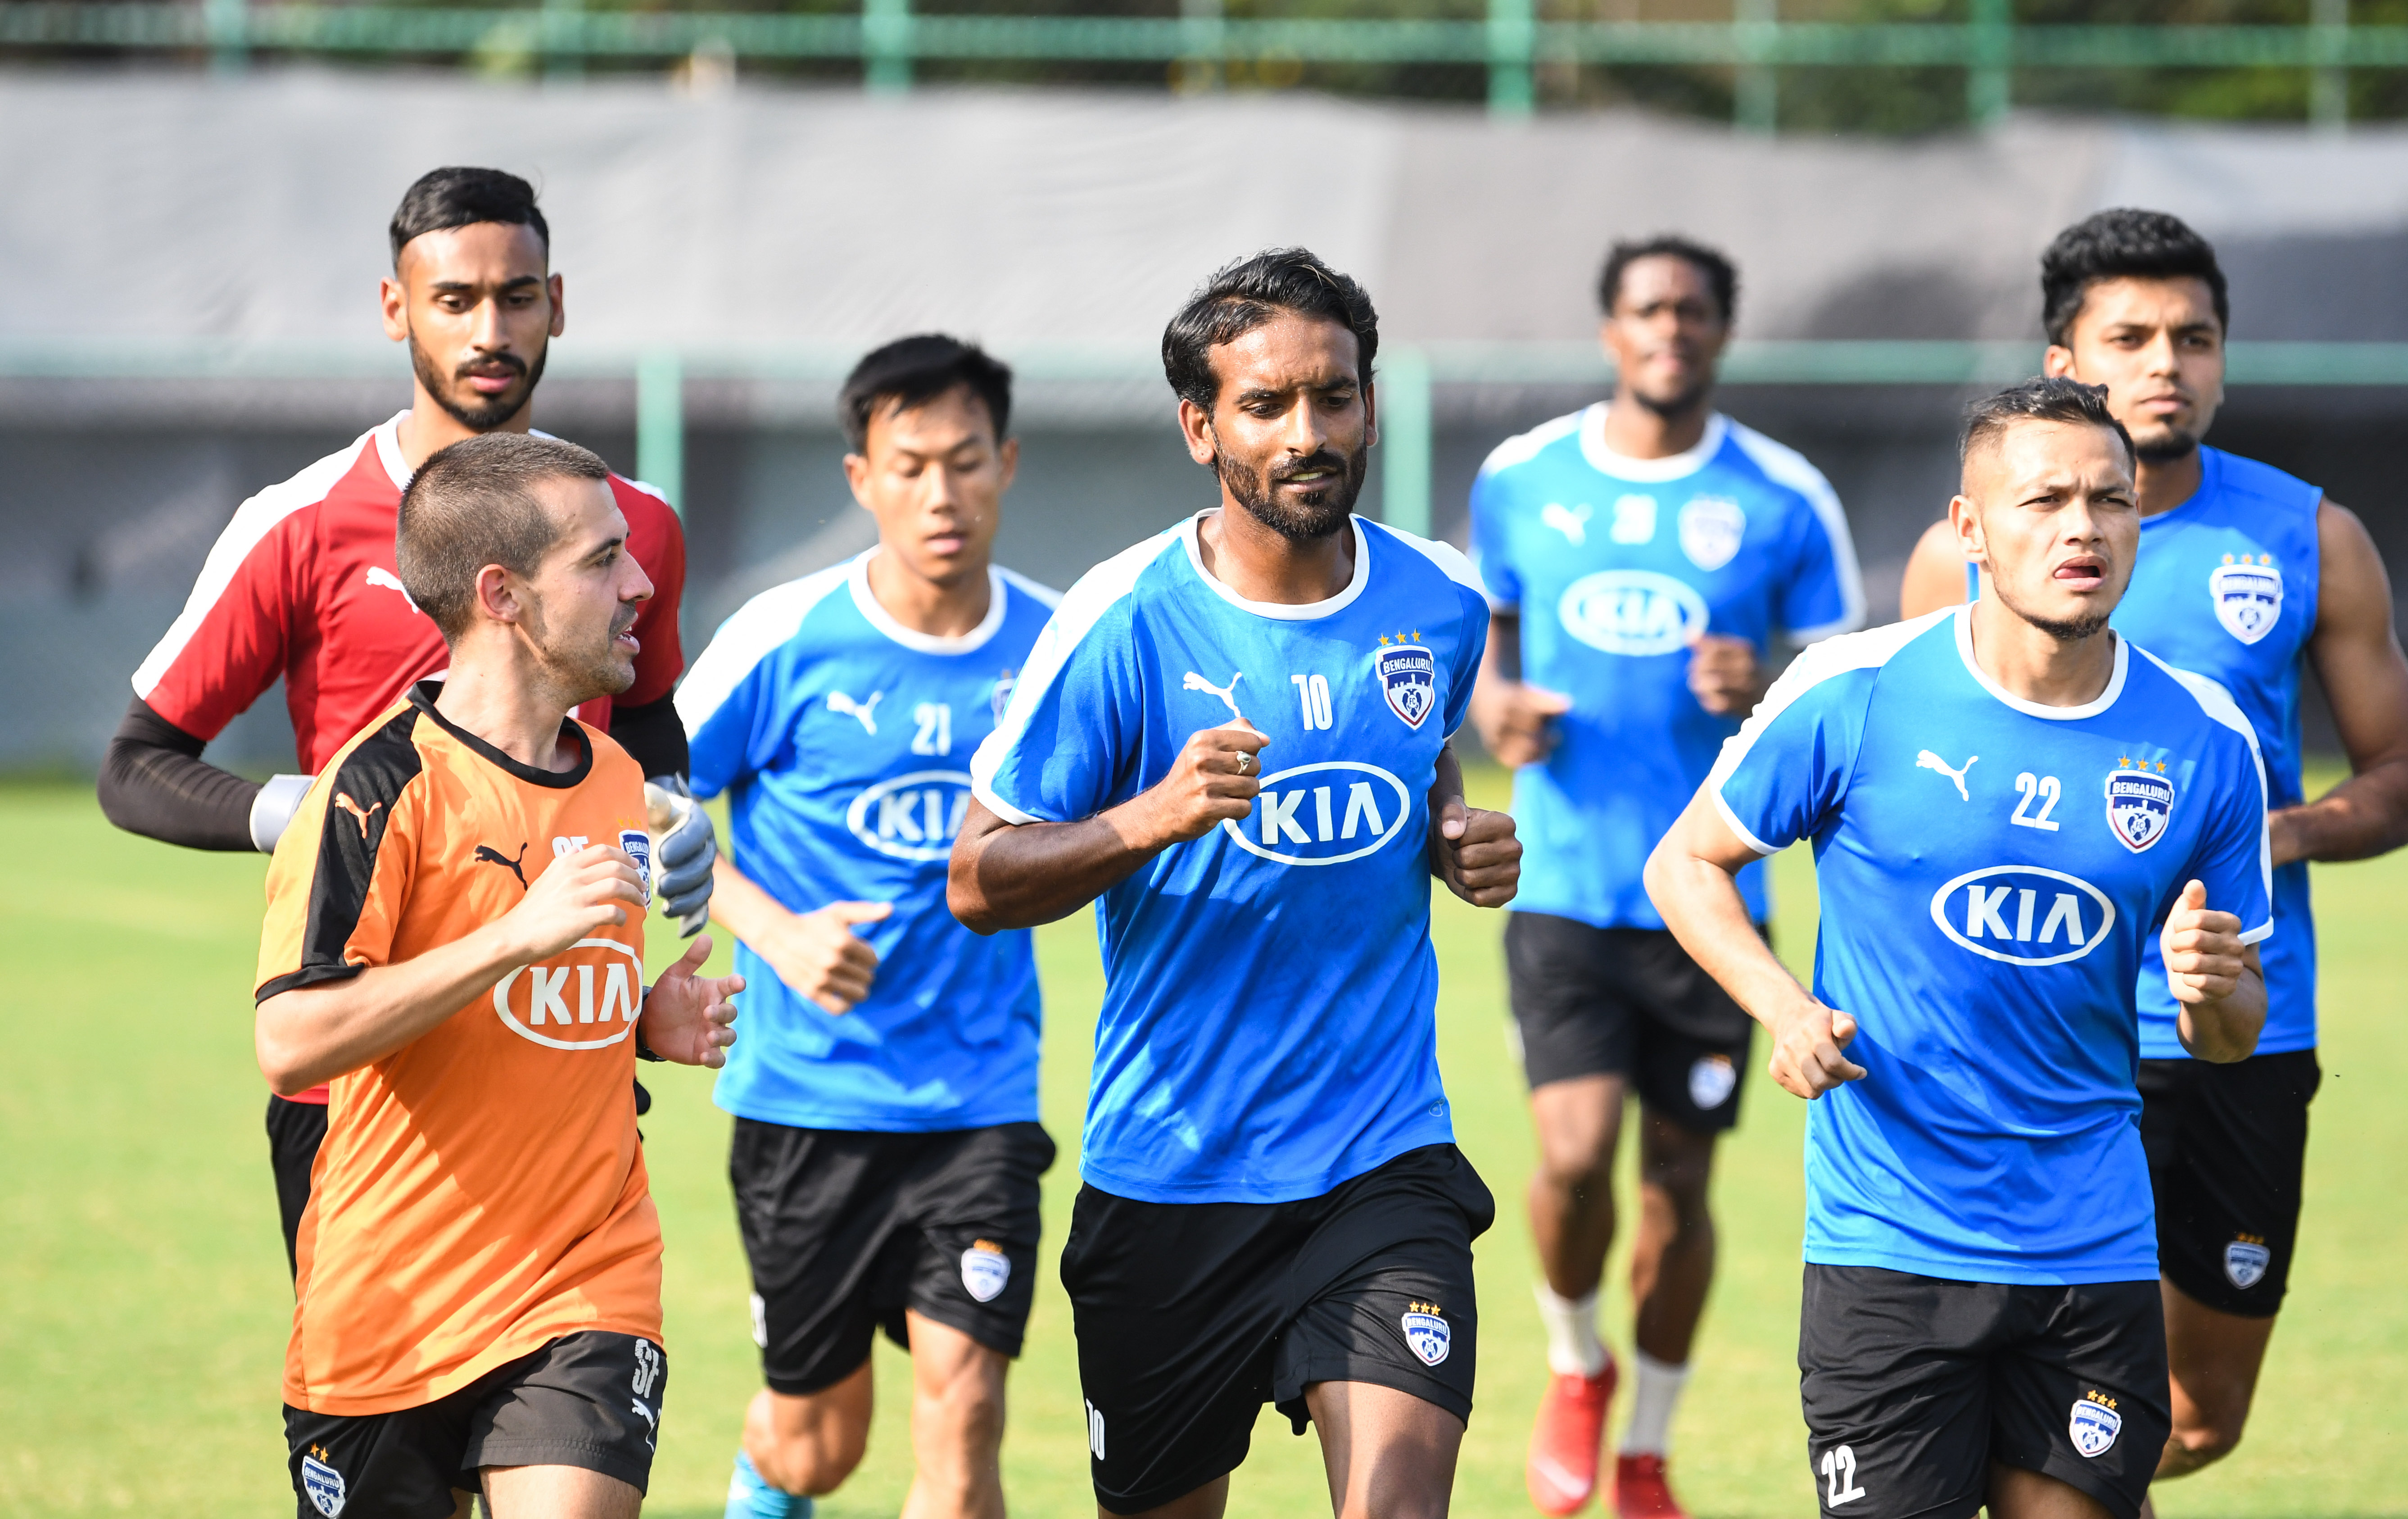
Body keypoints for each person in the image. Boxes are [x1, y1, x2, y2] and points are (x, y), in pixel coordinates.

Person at [947, 249, 1521, 1519]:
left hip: (1382, 1162)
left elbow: (1416, 781)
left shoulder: (1440, 600)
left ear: (1372, 402)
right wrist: (1149, 817)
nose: (1309, 433)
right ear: (1202, 426)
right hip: (1173, 1176)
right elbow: (978, 879)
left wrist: (1457, 839)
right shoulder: (1125, 618)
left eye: (1335, 396)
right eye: (1267, 406)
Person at [1646, 376, 2273, 1519]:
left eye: (2110, 500)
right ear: (1970, 529)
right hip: (1887, 1244)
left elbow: (2230, 1036)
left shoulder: (2207, 740)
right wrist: (1786, 1009)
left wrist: (2212, 991)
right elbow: (1684, 865)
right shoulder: (1856, 689)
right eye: (2043, 501)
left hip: (2090, 1246)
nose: (2082, 527)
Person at [1897, 210, 2408, 1508]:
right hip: (2046, 1034)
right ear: (2065, 357)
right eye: (2128, 336)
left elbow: (2403, 779)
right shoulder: (1962, 553)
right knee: (2067, 1390)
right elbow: (1905, 791)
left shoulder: (2310, 536)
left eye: (2194, 337)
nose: (2165, 364)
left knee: (2197, 1413)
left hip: (2246, 1023)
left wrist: (2261, 832)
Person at [99, 165, 714, 1278]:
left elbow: (648, 715)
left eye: (518, 296)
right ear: (397, 310)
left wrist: (672, 801)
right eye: (455, 299)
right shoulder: (300, 523)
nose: (491, 329)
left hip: (563, 1048)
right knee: (396, 1438)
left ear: (558, 303)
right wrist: (302, 811)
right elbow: (137, 767)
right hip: (361, 1072)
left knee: (556, 1414)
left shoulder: (635, 532)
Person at [253, 432, 741, 1519]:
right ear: (502, 595)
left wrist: (639, 1025)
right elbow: (292, 1040)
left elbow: (535, 998)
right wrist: (517, 937)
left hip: (587, 1274)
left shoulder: (618, 778)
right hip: (391, 1308)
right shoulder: (376, 790)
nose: (640, 582)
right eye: (602, 559)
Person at [1465, 234, 1862, 1519]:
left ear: (1721, 334)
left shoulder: (1784, 496)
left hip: (1714, 902)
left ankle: (1646, 1444)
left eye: (1694, 311)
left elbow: (1842, 692)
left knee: (1679, 1184)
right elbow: (1481, 642)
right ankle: (1576, 1357)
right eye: (1648, 308)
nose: (1670, 329)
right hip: (1567, 879)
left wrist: (1763, 690)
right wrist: (1496, 709)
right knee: (1574, 1157)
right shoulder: (1523, 479)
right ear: (1610, 330)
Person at [679, 336, 1061, 1519]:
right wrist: (777, 932)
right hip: (807, 1101)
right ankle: (765, 1482)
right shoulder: (782, 634)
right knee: (818, 1446)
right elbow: (641, 806)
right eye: (909, 467)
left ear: (1006, 462)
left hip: (979, 1101)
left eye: (963, 462)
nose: (939, 495)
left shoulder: (1060, 645)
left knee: (965, 1417)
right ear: (862, 479)